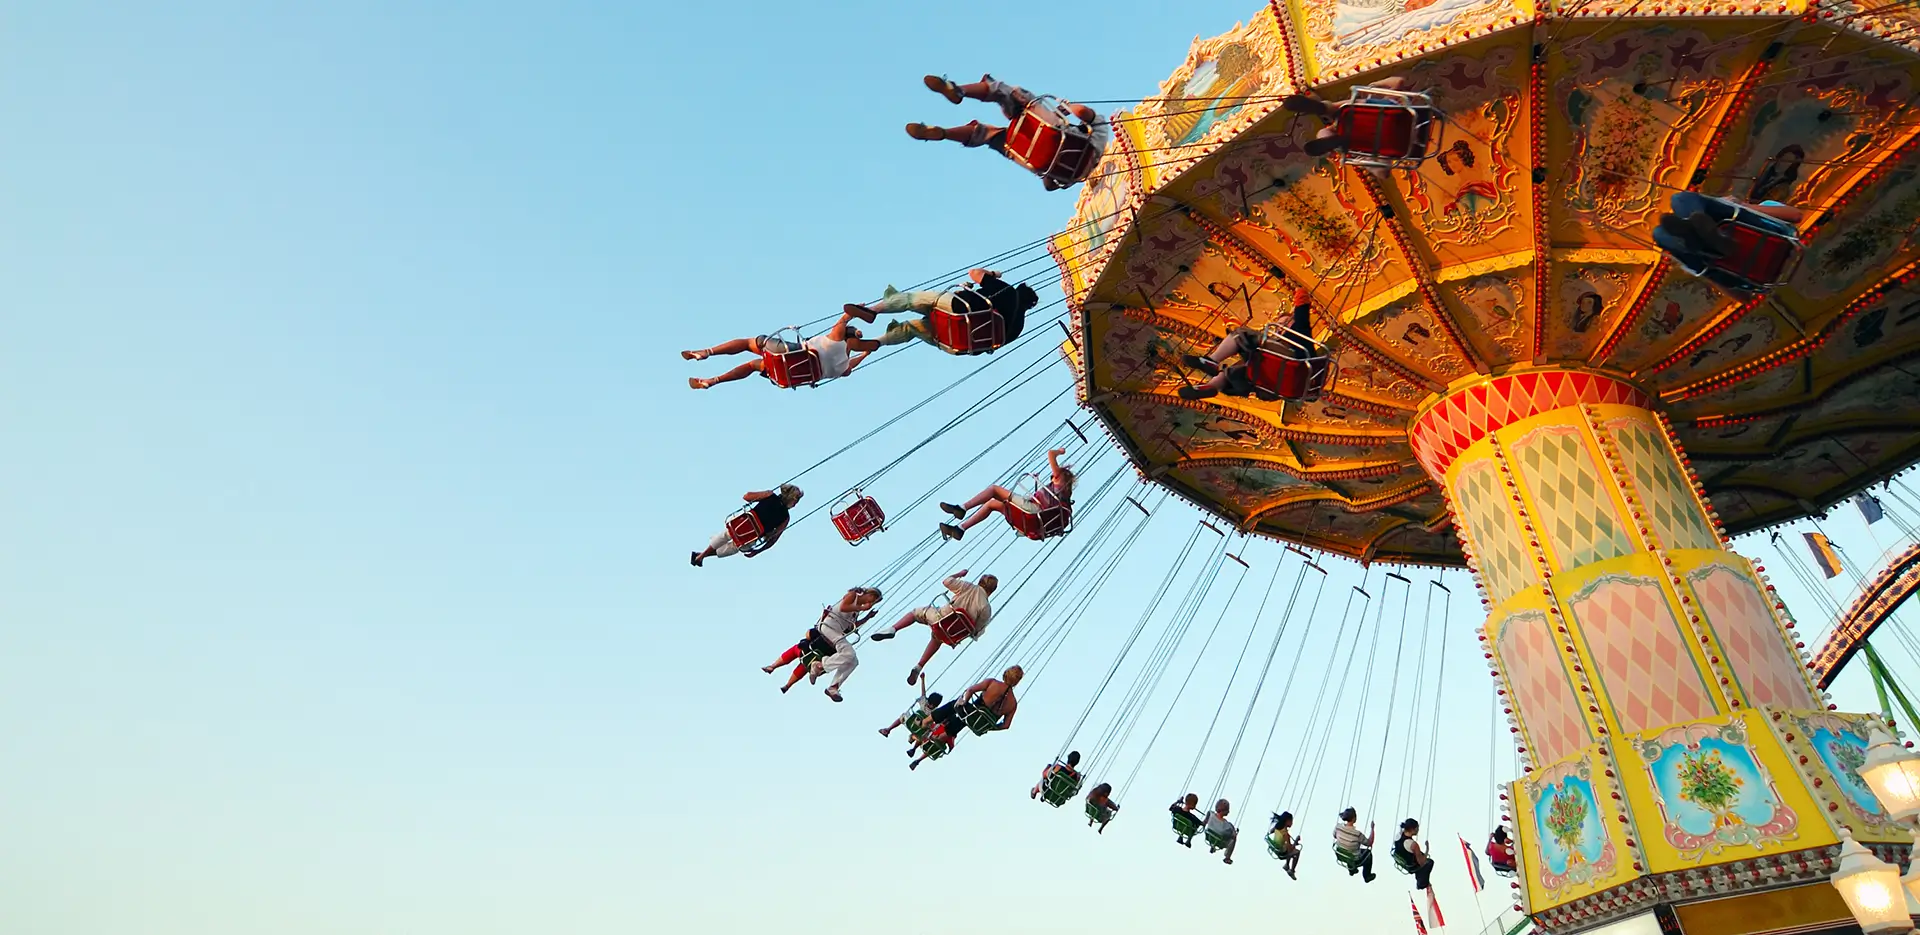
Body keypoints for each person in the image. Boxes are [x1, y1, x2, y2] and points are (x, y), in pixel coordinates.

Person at [906, 74, 1111, 190]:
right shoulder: (1078, 172)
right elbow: (1049, 185)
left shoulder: (1101, 138)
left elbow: (1082, 111)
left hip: (1052, 133)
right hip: (1038, 160)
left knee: (1006, 92)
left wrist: (1068, 105)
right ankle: (943, 133)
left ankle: (958, 93)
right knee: (989, 134)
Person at [682, 307, 881, 390]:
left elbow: (843, 319)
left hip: (789, 355)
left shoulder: (836, 340)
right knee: (753, 365)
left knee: (749, 343)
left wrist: (857, 312)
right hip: (788, 375)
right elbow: (851, 367)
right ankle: (712, 381)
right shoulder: (843, 367)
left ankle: (706, 352)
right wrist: (865, 352)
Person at [1651, 192, 1806, 295]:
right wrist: (1739, 206)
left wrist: (1741, 206)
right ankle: (1705, 238)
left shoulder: (1763, 204)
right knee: (1678, 201)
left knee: (1661, 232)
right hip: (1761, 245)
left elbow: (1796, 215)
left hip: (1731, 259)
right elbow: (1796, 215)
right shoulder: (1759, 206)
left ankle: (1701, 240)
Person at [1179, 287, 1317, 402]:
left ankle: (1212, 361)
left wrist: (1299, 291)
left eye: (1286, 323)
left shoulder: (1299, 331)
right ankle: (1210, 387)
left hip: (1292, 364)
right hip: (1276, 386)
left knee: (1242, 334)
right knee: (1236, 369)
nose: (1282, 328)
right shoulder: (1276, 344)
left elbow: (1302, 310)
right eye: (1279, 325)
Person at [852, 269, 1038, 354]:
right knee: (911, 328)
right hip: (956, 342)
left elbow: (974, 273)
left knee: (911, 300)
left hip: (957, 310)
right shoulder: (1017, 329)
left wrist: (992, 275)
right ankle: (878, 342)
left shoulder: (1008, 292)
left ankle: (873, 310)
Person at [868, 569, 996, 684]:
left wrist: (959, 574)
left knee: (915, 613)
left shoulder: (969, 587)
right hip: (952, 635)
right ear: (991, 591)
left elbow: (947, 581)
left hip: (940, 619)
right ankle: (918, 667)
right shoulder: (986, 608)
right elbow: (977, 631)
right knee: (937, 639)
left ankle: (893, 629)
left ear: (980, 582)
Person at [761, 587, 882, 701]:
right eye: (873, 600)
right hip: (829, 627)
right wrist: (861, 608)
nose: (872, 604)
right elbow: (844, 607)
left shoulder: (856, 611)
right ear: (870, 594)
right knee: (849, 653)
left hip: (837, 632)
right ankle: (819, 665)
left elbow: (849, 628)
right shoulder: (853, 595)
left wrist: (867, 617)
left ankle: (833, 687)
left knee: (853, 661)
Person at [939, 448, 1074, 541]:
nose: (1052, 477)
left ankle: (962, 508)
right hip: (1033, 523)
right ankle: (960, 529)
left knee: (994, 490)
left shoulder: (1060, 479)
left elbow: (1050, 453)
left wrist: (1060, 452)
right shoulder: (1061, 496)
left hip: (1032, 512)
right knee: (992, 504)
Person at [910, 666, 1022, 769]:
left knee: (955, 705)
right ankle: (942, 737)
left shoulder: (992, 683)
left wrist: (964, 702)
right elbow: (1006, 725)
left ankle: (925, 721)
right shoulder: (1013, 704)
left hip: (971, 712)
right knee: (965, 720)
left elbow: (971, 690)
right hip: (979, 724)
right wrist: (989, 727)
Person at [1281, 76, 1416, 158]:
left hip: (1362, 127)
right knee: (1346, 110)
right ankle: (1324, 111)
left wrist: (1375, 86)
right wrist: (1375, 86)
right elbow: (1400, 80)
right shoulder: (1398, 107)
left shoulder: (1397, 105)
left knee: (1339, 117)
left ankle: (1326, 117)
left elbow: (1383, 173)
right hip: (1383, 120)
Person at [691, 485, 802, 566]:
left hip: (741, 523)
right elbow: (773, 540)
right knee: (734, 548)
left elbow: (746, 496)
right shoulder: (785, 518)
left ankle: (701, 555)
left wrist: (764, 494)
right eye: (795, 502)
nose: (795, 505)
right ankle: (700, 556)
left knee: (727, 534)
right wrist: (758, 551)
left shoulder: (770, 495)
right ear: (791, 499)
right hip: (750, 538)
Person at [878, 676, 943, 746]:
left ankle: (888, 729)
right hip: (921, 731)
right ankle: (912, 738)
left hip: (911, 722)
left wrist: (922, 679)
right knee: (925, 733)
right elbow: (936, 723)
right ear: (936, 705)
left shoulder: (924, 702)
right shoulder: (935, 712)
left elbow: (923, 692)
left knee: (903, 716)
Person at [1333, 807, 1378, 882]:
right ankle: (1367, 876)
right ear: (1354, 818)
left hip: (1341, 853)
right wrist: (1372, 829)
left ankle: (1351, 869)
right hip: (1354, 858)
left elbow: (1334, 835)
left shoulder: (1338, 827)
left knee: (1349, 849)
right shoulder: (1357, 834)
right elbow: (1369, 843)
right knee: (1368, 853)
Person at [1396, 819, 1436, 890]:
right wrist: (1427, 849)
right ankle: (1422, 883)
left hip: (1401, 856)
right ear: (1412, 829)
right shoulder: (1413, 845)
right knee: (1429, 862)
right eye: (1417, 828)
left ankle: (1420, 879)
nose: (1418, 830)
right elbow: (1421, 862)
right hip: (1411, 864)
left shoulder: (1398, 835)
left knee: (1420, 855)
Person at [1269, 811, 1302, 879]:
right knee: (1297, 852)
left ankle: (1287, 865)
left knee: (1288, 847)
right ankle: (1292, 870)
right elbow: (1290, 849)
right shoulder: (1285, 834)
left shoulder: (1277, 827)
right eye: (1291, 821)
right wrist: (1296, 841)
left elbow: (1271, 831)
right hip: (1281, 852)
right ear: (1287, 821)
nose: (1292, 823)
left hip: (1277, 847)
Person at [1205, 798, 1239, 865]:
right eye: (1227, 810)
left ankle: (1213, 845)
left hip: (1209, 835)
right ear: (1224, 810)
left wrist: (1203, 823)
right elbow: (1231, 834)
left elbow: (1205, 820)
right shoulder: (1228, 825)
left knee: (1224, 833)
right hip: (1221, 838)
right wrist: (1234, 833)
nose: (1229, 812)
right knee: (1233, 838)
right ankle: (1227, 857)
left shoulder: (1211, 814)